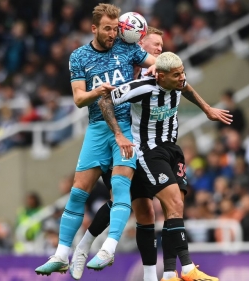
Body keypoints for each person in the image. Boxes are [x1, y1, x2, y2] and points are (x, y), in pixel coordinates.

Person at [35, 3, 157, 277]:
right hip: (97, 128)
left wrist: (156, 68)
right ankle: (60, 255)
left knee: (120, 185)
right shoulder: (79, 57)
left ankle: (108, 248)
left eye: (115, 28)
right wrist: (97, 91)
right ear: (94, 29)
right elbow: (79, 99)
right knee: (78, 191)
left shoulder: (127, 49)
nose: (113, 33)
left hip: (125, 128)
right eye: (107, 28)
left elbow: (155, 63)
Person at [98, 52, 231, 281]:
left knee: (175, 210)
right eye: (177, 75)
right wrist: (118, 134)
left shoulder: (177, 81)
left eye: (183, 73)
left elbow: (187, 88)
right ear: (161, 76)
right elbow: (105, 100)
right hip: (148, 152)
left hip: (172, 149)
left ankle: (170, 273)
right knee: (173, 203)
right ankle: (188, 268)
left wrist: (207, 109)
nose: (182, 78)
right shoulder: (142, 87)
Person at [71, 26, 166, 281]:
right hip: (118, 144)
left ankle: (89, 248)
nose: (159, 49)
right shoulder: (120, 65)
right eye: (155, 44)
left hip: (144, 147)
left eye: (162, 47)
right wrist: (116, 135)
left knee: (144, 209)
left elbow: (175, 75)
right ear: (139, 42)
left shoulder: (154, 73)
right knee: (122, 200)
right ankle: (95, 247)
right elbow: (103, 101)